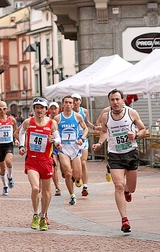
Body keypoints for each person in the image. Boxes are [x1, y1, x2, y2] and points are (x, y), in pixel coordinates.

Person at [92, 89, 146, 233]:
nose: (115, 102)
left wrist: (135, 134)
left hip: (131, 152)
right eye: (112, 100)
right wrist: (100, 143)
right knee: (119, 185)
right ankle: (124, 219)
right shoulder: (105, 116)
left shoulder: (131, 113)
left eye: (117, 99)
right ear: (109, 101)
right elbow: (104, 131)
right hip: (115, 154)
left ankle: (128, 191)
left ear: (122, 100)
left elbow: (143, 129)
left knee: (131, 187)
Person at [18, 97, 62, 231]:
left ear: (46, 109)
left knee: (47, 192)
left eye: (42, 107)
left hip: (46, 161)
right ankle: (36, 214)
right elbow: (21, 132)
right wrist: (21, 145)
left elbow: (58, 138)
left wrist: (53, 140)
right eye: (37, 107)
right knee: (36, 188)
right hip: (32, 160)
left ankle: (43, 216)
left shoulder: (51, 123)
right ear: (34, 109)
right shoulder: (28, 122)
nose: (39, 110)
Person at [54, 95, 88, 206]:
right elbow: (52, 132)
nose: (68, 104)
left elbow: (86, 128)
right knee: (68, 173)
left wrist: (81, 139)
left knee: (77, 176)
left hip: (75, 148)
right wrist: (56, 142)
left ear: (73, 104)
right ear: (63, 104)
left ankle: (78, 179)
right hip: (63, 149)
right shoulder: (57, 119)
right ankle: (72, 195)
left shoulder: (77, 117)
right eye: (66, 102)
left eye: (70, 102)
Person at [0, 101, 18, 196]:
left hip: (9, 144)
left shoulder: (12, 120)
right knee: (2, 168)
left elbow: (16, 131)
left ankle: (10, 176)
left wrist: (17, 140)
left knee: (8, 161)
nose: (2, 111)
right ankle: (5, 186)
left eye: (4, 109)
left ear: (7, 109)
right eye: (0, 109)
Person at [71, 93, 96, 196]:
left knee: (83, 163)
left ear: (80, 101)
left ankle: (85, 186)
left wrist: (94, 127)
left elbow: (87, 123)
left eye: (77, 100)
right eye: (74, 100)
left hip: (83, 139)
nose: (75, 102)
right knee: (74, 164)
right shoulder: (69, 113)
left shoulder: (84, 111)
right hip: (73, 141)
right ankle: (77, 177)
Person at [49, 102, 61, 197]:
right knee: (55, 167)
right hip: (52, 147)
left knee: (66, 170)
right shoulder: (47, 121)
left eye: (55, 109)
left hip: (64, 146)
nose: (53, 111)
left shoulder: (62, 119)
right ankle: (57, 187)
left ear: (58, 109)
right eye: (51, 109)